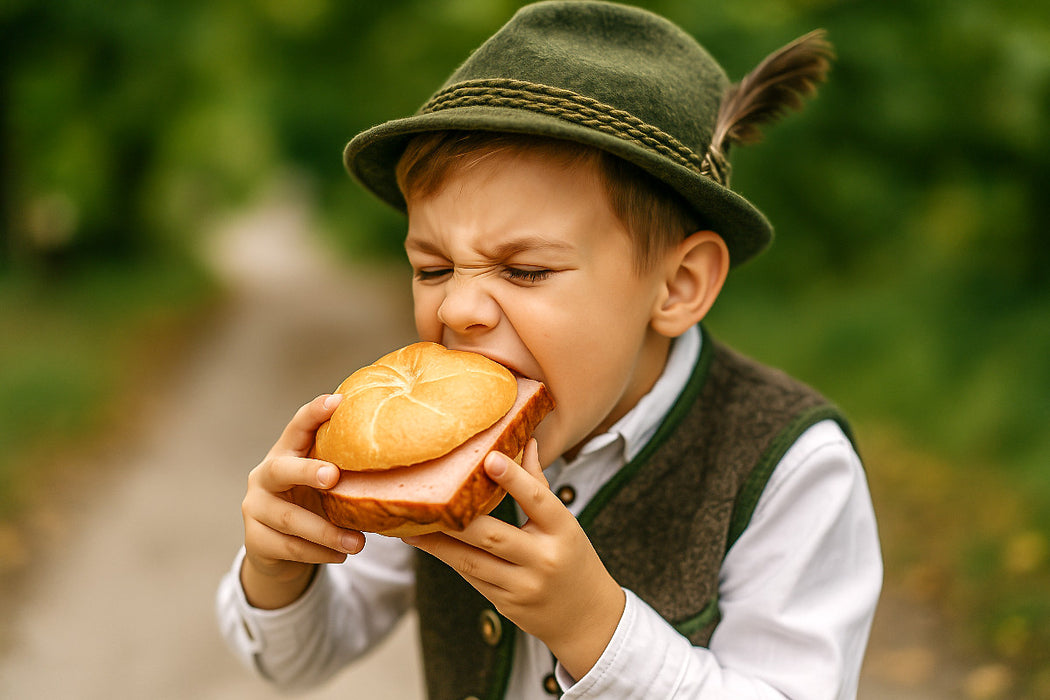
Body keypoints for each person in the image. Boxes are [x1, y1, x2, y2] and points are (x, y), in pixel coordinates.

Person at [216, 2, 882, 698]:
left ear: (678, 285)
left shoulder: (789, 468)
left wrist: (596, 628)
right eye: (434, 269)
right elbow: (301, 661)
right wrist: (281, 568)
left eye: (525, 270)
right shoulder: (432, 453)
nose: (459, 309)